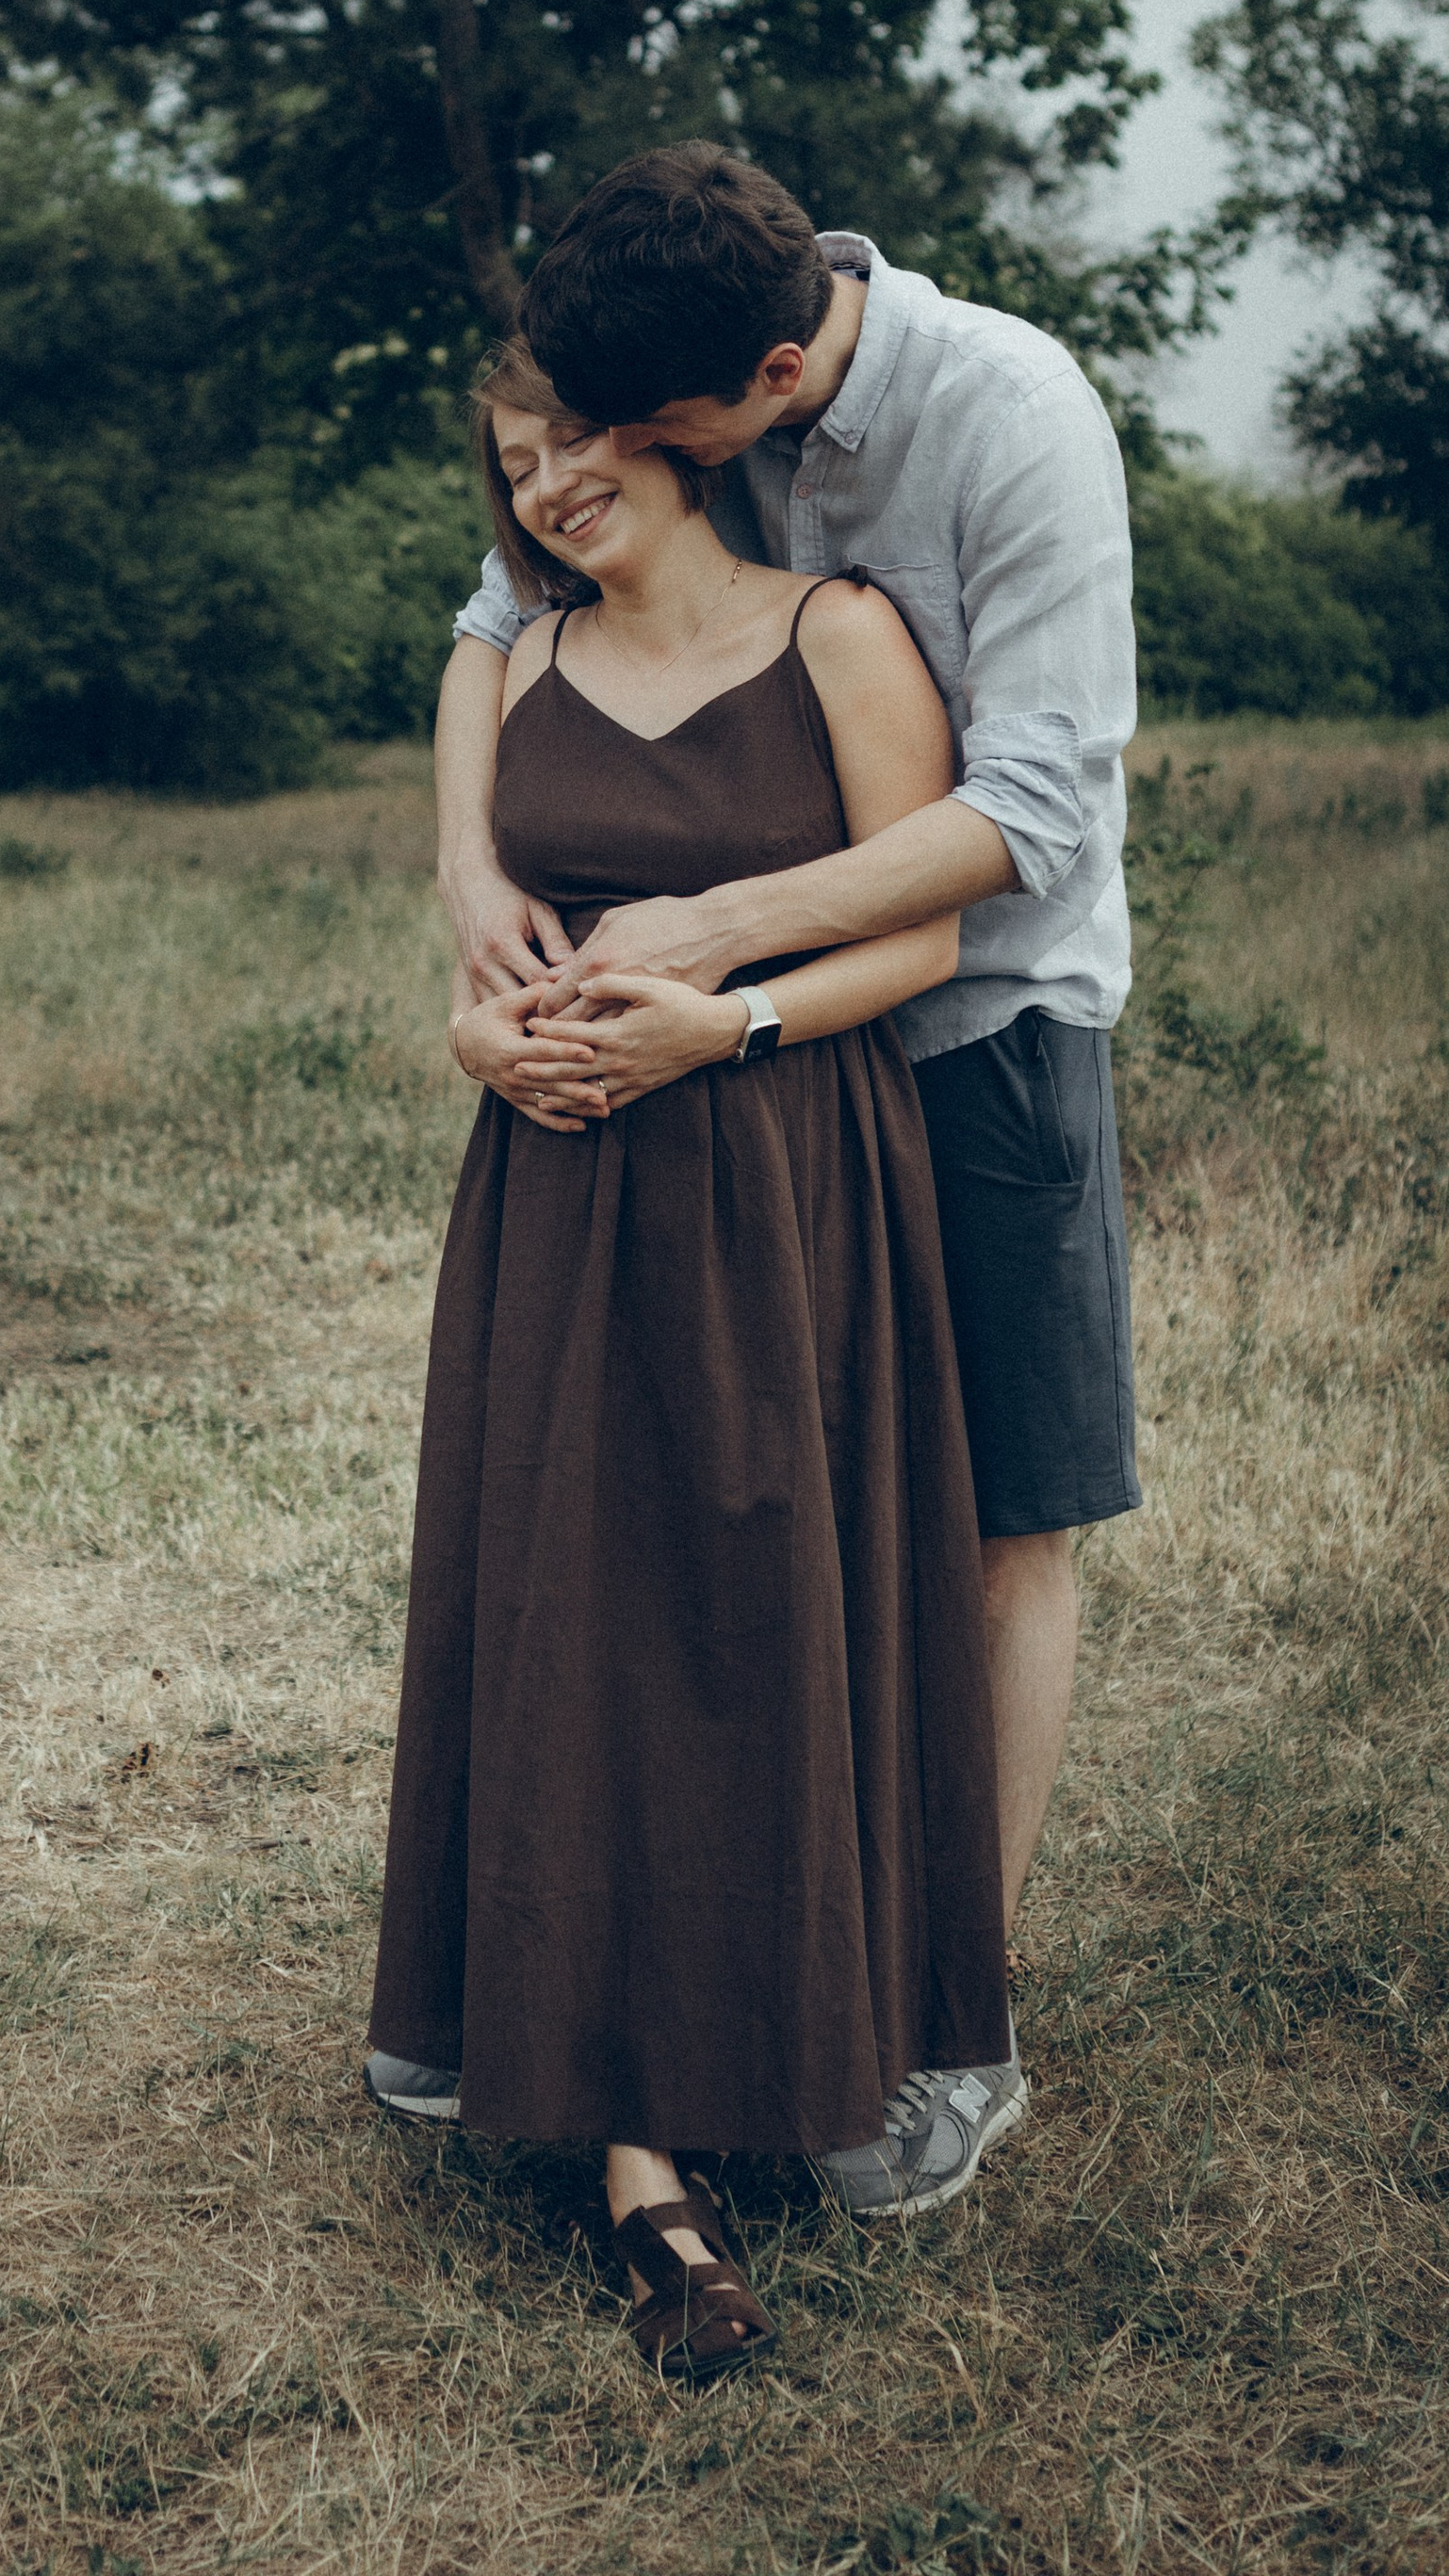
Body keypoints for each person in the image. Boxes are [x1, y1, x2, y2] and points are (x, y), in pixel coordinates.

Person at [418, 140, 1138, 2220]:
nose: (611, 460)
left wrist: (716, 944)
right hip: (727, 1079)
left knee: (997, 1511)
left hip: (980, 1033)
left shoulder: (1008, 416)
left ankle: (946, 2020)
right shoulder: (674, 368)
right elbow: (501, 608)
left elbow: (1033, 808)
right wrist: (470, 883)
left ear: (766, 377)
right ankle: (727, 1967)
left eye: (648, 432)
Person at [366, 341, 1009, 2380]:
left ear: (667, 427)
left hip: (786, 1168)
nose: (548, 481)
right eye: (513, 462)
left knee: (755, 1602)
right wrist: (481, 1033)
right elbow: (480, 935)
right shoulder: (504, 663)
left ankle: (797, 2034)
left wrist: (721, 1021)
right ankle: (638, 2157)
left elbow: (927, 934)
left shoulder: (840, 635)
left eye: (573, 435)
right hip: (560, 1190)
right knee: (580, 1610)